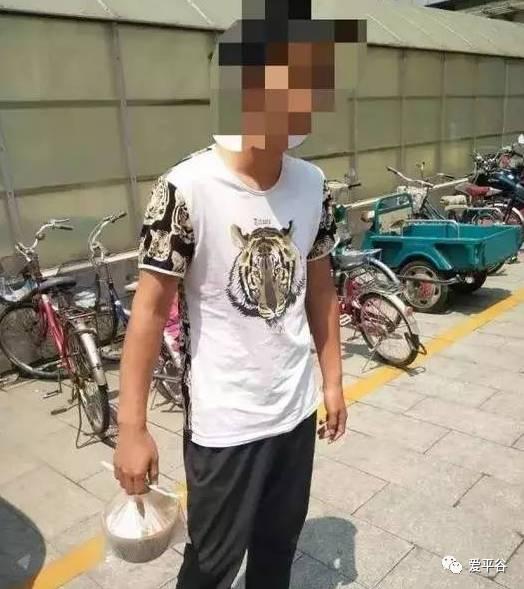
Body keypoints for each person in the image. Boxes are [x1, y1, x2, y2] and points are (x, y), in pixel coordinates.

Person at [114, 3, 365, 587]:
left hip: (294, 410)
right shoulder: (185, 189)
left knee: (278, 550)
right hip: (224, 423)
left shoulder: (313, 185)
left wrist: (331, 381)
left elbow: (320, 289)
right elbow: (148, 313)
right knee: (212, 563)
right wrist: (132, 428)